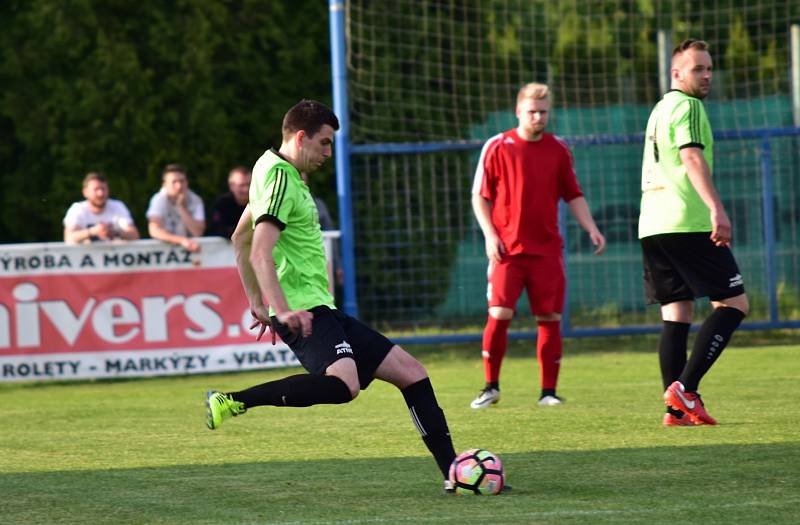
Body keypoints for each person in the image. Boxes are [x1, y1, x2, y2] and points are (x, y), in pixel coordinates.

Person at [204, 100, 459, 492]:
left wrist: (258, 303)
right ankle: (234, 400)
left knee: (412, 373)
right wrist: (283, 310)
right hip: (305, 311)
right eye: (324, 143)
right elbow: (259, 249)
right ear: (301, 137)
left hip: (322, 308)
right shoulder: (281, 179)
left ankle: (454, 474)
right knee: (345, 386)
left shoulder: (269, 168)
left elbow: (240, 236)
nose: (328, 153)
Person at [470, 82, 606, 410]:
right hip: (508, 250)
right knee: (499, 313)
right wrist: (491, 235)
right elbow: (480, 196)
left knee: (549, 317)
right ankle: (491, 387)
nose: (537, 117)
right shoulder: (497, 146)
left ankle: (548, 392)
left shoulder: (558, 149)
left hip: (546, 251)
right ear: (518, 111)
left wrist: (592, 228)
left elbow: (573, 193)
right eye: (531, 111)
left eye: (543, 112)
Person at [639, 39, 748, 427]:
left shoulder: (660, 109)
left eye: (709, 68)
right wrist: (716, 208)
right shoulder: (687, 106)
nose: (706, 76)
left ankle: (676, 410)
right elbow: (690, 155)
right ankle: (685, 389)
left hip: (652, 224)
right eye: (698, 69)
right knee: (734, 304)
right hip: (686, 220)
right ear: (676, 73)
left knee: (677, 313)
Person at [63, 172, 140, 243]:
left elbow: (134, 235)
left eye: (103, 189)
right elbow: (69, 238)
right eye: (96, 189)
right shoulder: (77, 209)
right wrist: (92, 231)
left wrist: (115, 232)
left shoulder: (118, 206)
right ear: (85, 192)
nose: (101, 193)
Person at [146, 163, 205, 252]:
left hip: (192, 253)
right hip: (164, 253)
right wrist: (181, 241)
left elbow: (198, 232)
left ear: (187, 182)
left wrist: (181, 208)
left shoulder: (195, 200)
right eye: (174, 182)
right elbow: (154, 230)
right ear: (164, 184)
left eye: (182, 181)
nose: (179, 186)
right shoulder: (158, 199)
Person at [208, 166, 252, 238]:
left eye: (249, 184)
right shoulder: (221, 205)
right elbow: (219, 229)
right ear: (231, 186)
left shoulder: (261, 203)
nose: (246, 189)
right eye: (242, 185)